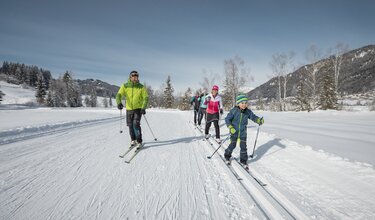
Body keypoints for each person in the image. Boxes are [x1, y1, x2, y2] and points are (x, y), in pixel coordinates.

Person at [224, 94, 264, 168]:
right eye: (242, 103)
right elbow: (227, 119)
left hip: (243, 132)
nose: (244, 105)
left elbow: (253, 117)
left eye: (245, 103)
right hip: (234, 131)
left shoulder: (247, 112)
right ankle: (227, 155)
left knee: (243, 147)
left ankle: (243, 160)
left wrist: (258, 120)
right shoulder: (234, 111)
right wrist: (230, 126)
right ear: (238, 103)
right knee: (232, 145)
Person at [116, 70, 149, 148]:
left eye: (136, 77)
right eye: (133, 76)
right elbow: (118, 95)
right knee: (130, 125)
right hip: (129, 109)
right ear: (130, 77)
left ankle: (139, 141)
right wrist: (119, 103)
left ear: (137, 78)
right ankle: (133, 140)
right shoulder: (125, 86)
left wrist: (143, 107)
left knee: (136, 124)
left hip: (138, 109)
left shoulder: (141, 87)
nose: (134, 78)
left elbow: (146, 98)